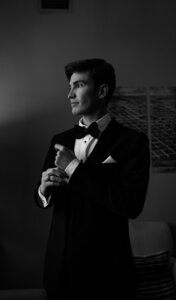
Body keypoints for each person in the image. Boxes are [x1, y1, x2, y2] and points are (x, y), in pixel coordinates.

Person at [35, 58, 150, 299]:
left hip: (107, 273)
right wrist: (43, 191)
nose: (70, 94)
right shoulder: (60, 140)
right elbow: (43, 198)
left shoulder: (133, 142)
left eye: (78, 85)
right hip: (59, 271)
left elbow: (131, 204)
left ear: (102, 91)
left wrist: (75, 168)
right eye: (70, 87)